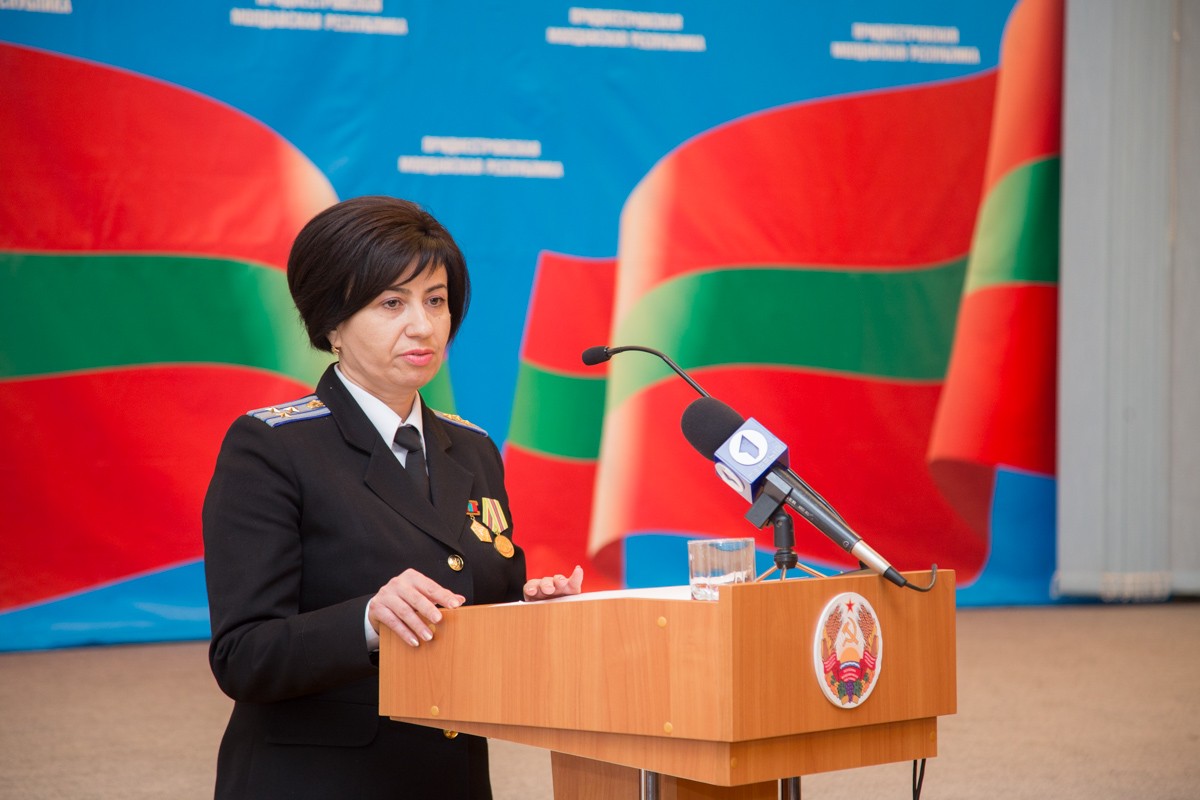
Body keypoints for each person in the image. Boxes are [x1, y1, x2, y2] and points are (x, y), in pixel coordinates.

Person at [202, 195, 584, 799]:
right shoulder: (272, 448)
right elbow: (243, 656)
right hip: (318, 781)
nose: (423, 326)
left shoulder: (472, 448)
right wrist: (368, 620)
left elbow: (479, 608)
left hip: (451, 777)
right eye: (391, 303)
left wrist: (535, 614)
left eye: (436, 300)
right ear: (332, 323)